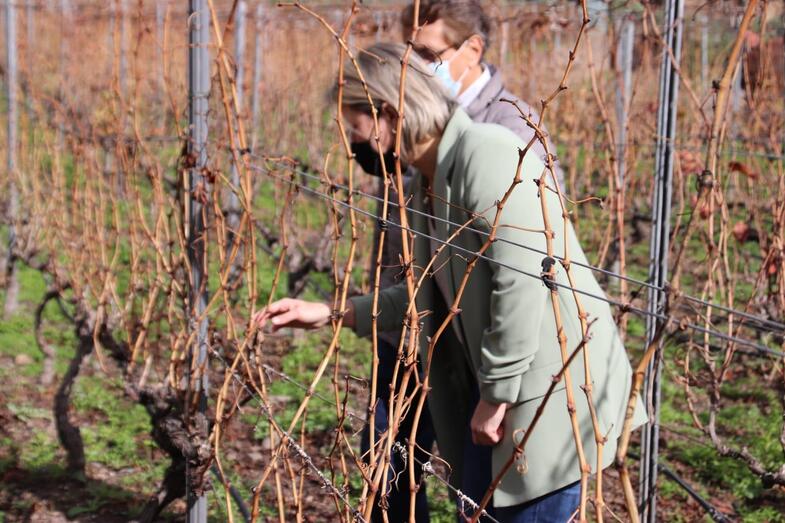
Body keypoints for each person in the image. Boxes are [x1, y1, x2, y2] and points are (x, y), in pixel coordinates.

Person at [254, 43, 646, 522]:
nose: (352, 145)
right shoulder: (426, 184)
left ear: (390, 115)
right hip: (503, 392)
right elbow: (432, 296)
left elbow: (523, 281)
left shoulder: (487, 154)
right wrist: (334, 312)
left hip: (547, 398)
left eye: (354, 129)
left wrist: (495, 395)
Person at [359, 4, 567, 520]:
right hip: (413, 323)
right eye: (408, 55)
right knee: (385, 458)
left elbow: (532, 264)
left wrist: (497, 386)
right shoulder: (410, 122)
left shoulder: (510, 129)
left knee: (476, 486)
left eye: (426, 54)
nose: (413, 68)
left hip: (476, 347)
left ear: (472, 49)